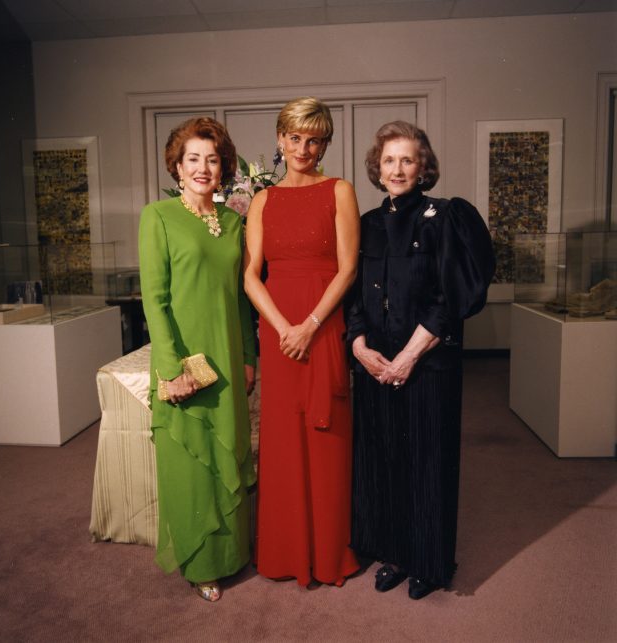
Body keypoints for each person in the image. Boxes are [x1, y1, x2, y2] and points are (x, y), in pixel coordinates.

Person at [346, 121, 495, 600]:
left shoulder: (445, 216)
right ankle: (393, 552)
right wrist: (359, 346)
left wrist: (408, 358)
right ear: (377, 167)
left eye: (407, 159)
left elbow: (448, 299)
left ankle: (429, 564)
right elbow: (354, 299)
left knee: (427, 464)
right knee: (384, 462)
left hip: (427, 366)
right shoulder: (366, 224)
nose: (397, 169)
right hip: (375, 366)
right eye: (388, 160)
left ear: (423, 166)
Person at [138, 117, 257, 602]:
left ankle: (233, 554)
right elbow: (154, 300)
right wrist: (172, 368)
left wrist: (249, 356)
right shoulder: (158, 217)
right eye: (193, 159)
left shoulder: (235, 222)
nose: (203, 168)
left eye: (212, 159)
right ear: (177, 165)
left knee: (229, 453)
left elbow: (243, 298)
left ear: (223, 166)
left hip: (227, 360)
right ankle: (201, 563)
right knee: (191, 464)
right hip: (184, 362)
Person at [243, 97, 361, 586]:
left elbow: (349, 268)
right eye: (295, 138)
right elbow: (251, 275)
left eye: (314, 139)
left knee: (325, 432)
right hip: (278, 332)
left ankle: (328, 553)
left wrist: (309, 325)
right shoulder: (263, 200)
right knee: (282, 440)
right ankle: (286, 554)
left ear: (325, 143)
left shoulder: (340, 191)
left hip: (323, 323)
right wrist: (281, 327)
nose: (304, 148)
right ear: (280, 139)